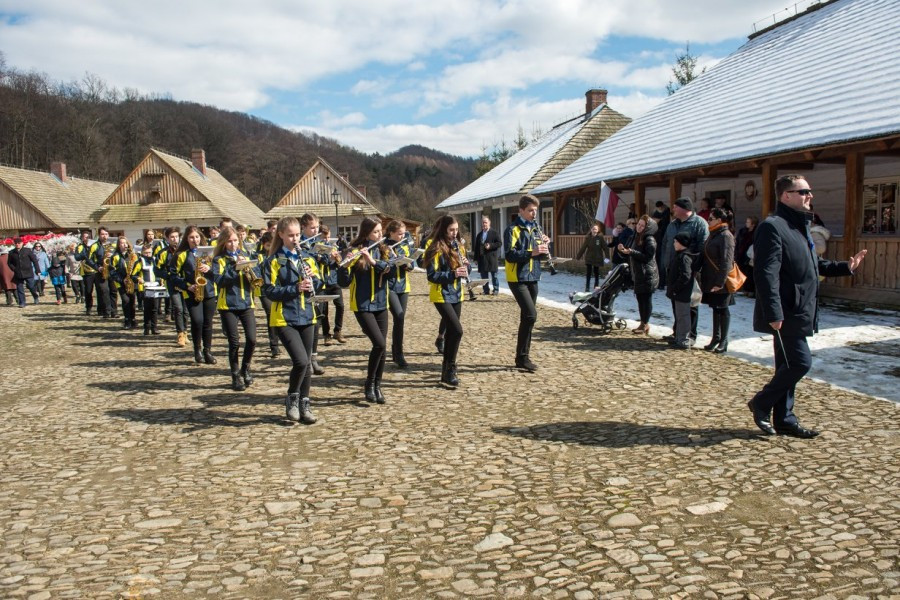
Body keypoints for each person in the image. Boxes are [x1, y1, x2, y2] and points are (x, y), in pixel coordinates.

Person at [748, 175, 866, 438]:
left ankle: (785, 419)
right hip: (787, 310)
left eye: (810, 191)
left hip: (802, 308)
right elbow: (766, 274)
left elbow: (814, 267)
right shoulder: (773, 227)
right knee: (800, 363)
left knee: (787, 366)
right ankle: (761, 402)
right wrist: (774, 312)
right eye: (804, 192)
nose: (810, 196)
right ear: (785, 196)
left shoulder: (800, 227)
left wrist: (846, 267)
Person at [262, 217, 321, 424]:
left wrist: (314, 278)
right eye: (291, 236)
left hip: (307, 315)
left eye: (297, 235)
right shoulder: (273, 261)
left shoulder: (307, 258)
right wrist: (295, 288)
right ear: (281, 235)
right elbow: (269, 291)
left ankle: (305, 403)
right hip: (284, 317)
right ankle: (292, 398)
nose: (295, 239)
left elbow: (319, 285)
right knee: (301, 361)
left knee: (307, 366)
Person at [338, 217, 394, 404]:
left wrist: (372, 261)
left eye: (380, 231)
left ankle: (377, 385)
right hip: (362, 305)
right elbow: (343, 283)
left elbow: (389, 270)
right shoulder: (354, 251)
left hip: (381, 303)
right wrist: (344, 265)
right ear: (367, 233)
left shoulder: (383, 250)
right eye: (376, 232)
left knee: (382, 347)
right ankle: (369, 383)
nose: (380, 235)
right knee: (378, 343)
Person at [504, 194, 550, 372]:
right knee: (531, 315)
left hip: (533, 276)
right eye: (530, 210)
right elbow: (509, 255)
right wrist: (533, 251)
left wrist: (545, 247)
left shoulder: (536, 228)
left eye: (535, 211)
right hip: (517, 278)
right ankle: (522, 356)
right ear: (521, 210)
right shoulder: (512, 229)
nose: (534, 214)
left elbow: (540, 255)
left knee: (527, 318)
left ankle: (522, 357)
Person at [212, 226, 258, 391]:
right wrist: (235, 268)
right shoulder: (219, 260)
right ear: (224, 243)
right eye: (229, 241)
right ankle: (235, 374)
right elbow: (219, 280)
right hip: (228, 305)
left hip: (246, 302)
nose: (233, 244)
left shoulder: (245, 255)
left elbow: (256, 277)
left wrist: (251, 269)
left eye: (235, 241)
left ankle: (245, 368)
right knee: (234, 342)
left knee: (252, 339)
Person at [422, 216, 467, 387]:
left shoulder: (458, 245)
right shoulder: (435, 247)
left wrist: (466, 267)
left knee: (452, 333)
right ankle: (450, 367)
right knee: (457, 330)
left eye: (456, 230)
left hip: (456, 293)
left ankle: (447, 370)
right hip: (441, 294)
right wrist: (454, 274)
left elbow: (463, 268)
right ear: (443, 230)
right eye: (451, 230)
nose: (454, 233)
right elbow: (432, 275)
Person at [661, 197, 709, 344]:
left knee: (690, 303)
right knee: (675, 301)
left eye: (675, 207)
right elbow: (665, 244)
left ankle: (690, 335)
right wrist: (665, 263)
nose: (673, 209)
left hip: (690, 269)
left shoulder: (699, 223)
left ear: (684, 208)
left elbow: (703, 246)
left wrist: (696, 267)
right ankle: (678, 332)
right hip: (672, 267)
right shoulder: (672, 225)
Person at [172, 225, 217, 364]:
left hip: (209, 291)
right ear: (187, 238)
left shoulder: (209, 252)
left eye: (197, 237)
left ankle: (207, 350)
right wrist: (187, 286)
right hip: (192, 292)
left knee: (208, 323)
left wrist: (209, 269)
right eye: (191, 237)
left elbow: (218, 271)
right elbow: (173, 275)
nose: (195, 240)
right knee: (197, 321)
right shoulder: (181, 255)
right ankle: (197, 349)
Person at [700, 208, 736, 353]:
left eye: (711, 218)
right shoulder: (714, 234)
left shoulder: (726, 235)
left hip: (722, 280)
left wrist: (719, 282)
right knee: (716, 308)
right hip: (711, 278)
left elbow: (727, 261)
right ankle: (716, 337)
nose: (708, 221)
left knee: (723, 308)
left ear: (719, 220)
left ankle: (724, 340)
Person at [618, 215, 658, 334]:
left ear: (647, 227)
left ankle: (645, 324)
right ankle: (643, 323)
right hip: (638, 273)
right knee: (640, 299)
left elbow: (647, 257)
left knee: (646, 300)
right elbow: (629, 254)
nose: (639, 227)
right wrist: (623, 251)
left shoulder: (649, 239)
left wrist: (631, 252)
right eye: (638, 224)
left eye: (642, 225)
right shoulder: (635, 236)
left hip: (647, 274)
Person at [385, 220, 414, 368]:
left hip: (403, 286)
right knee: (399, 315)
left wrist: (406, 264)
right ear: (391, 232)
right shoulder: (383, 244)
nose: (403, 236)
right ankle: (397, 352)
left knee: (400, 320)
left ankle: (397, 352)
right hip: (389, 286)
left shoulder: (404, 244)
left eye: (404, 233)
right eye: (399, 234)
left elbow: (412, 265)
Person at [299, 214, 325, 376]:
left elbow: (328, 263)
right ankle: (305, 358)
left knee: (317, 323)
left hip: (318, 284)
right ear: (303, 227)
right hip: (303, 287)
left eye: (317, 227)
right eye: (312, 228)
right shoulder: (299, 244)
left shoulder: (319, 242)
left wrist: (327, 256)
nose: (316, 230)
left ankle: (313, 357)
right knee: (307, 323)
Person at [316, 223, 346, 346]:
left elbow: (339, 263)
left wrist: (338, 259)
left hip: (334, 281)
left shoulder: (332, 247)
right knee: (324, 311)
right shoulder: (316, 248)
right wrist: (329, 257)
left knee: (341, 306)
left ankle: (337, 331)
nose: (327, 240)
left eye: (328, 237)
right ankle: (326, 335)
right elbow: (322, 261)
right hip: (322, 283)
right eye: (324, 238)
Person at [157, 227, 188, 347]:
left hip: (185, 284)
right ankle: (180, 333)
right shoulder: (163, 253)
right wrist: (168, 275)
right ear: (167, 239)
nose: (175, 239)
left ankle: (185, 332)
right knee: (178, 308)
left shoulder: (185, 251)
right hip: (172, 284)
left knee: (186, 310)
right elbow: (157, 270)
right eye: (172, 237)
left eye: (177, 237)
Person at [665, 232, 695, 349]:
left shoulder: (685, 257)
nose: (674, 243)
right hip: (677, 291)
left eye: (676, 241)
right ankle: (678, 337)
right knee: (679, 316)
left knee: (683, 316)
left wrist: (676, 288)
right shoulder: (679, 255)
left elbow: (685, 276)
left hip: (682, 292)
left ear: (682, 243)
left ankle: (683, 340)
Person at [255, 231, 281, 357]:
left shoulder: (279, 255)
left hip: (278, 288)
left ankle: (281, 338)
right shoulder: (259, 256)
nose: (270, 248)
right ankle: (274, 345)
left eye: (272, 245)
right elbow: (256, 270)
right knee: (271, 314)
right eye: (267, 245)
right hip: (264, 290)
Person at [110, 236, 141, 330]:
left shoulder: (132, 255)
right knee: (125, 300)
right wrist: (121, 280)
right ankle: (127, 319)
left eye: (125, 243)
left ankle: (133, 319)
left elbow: (137, 267)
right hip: (121, 282)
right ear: (118, 245)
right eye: (122, 243)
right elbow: (112, 271)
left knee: (132, 302)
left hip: (132, 281)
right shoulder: (115, 256)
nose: (124, 245)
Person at [472, 216, 501, 296]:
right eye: (483, 222)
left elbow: (499, 243)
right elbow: (476, 247)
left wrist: (490, 246)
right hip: (482, 259)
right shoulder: (479, 235)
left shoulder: (494, 233)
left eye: (486, 222)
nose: (484, 224)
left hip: (492, 258)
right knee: (484, 277)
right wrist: (475, 258)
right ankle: (486, 290)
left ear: (489, 223)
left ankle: (495, 290)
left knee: (494, 276)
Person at [7, 237, 40, 307]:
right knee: (19, 289)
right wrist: (14, 269)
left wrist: (37, 270)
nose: (17, 244)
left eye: (19, 243)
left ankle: (35, 296)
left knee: (31, 286)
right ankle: (22, 302)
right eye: (16, 243)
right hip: (18, 273)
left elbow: (34, 260)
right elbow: (9, 263)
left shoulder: (27, 251)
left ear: (22, 243)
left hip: (28, 272)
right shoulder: (11, 252)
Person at [576, 223, 609, 291]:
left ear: (598, 230)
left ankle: (596, 287)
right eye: (593, 229)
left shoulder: (600, 238)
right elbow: (583, 248)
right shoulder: (588, 238)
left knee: (596, 273)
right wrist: (578, 256)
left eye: (596, 229)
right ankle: (587, 287)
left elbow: (605, 248)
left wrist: (607, 257)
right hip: (589, 258)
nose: (594, 230)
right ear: (591, 230)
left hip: (597, 258)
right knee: (588, 273)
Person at [138, 244, 161, 335]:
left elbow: (159, 272)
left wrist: (161, 280)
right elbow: (134, 274)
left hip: (155, 287)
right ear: (142, 253)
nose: (148, 254)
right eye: (146, 253)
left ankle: (154, 327)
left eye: (150, 252)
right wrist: (138, 279)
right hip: (145, 287)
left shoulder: (155, 260)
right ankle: (146, 328)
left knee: (155, 308)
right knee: (147, 308)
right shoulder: (140, 261)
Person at [735, 216, 758, 297]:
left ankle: (751, 290)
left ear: (753, 224)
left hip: (750, 256)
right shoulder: (742, 231)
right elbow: (738, 241)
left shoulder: (756, 232)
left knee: (750, 274)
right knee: (742, 272)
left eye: (748, 222)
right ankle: (744, 289)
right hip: (741, 254)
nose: (746, 224)